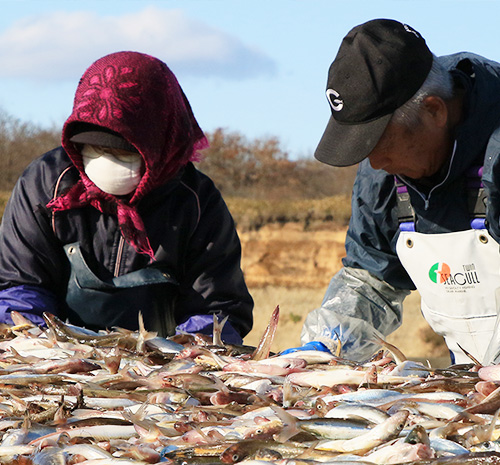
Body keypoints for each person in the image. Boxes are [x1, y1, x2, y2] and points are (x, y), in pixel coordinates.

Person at [284, 18, 500, 364]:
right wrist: (330, 345)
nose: (374, 160)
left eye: (378, 141)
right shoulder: (382, 173)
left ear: (433, 110)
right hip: (477, 385)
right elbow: (372, 279)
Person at [0, 51, 253, 343]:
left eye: (123, 152)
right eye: (93, 149)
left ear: (158, 144)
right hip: (60, 355)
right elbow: (20, 283)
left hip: (160, 368)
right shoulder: (47, 184)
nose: (106, 162)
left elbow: (218, 307)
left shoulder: (195, 203)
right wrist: (41, 343)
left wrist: (180, 354)